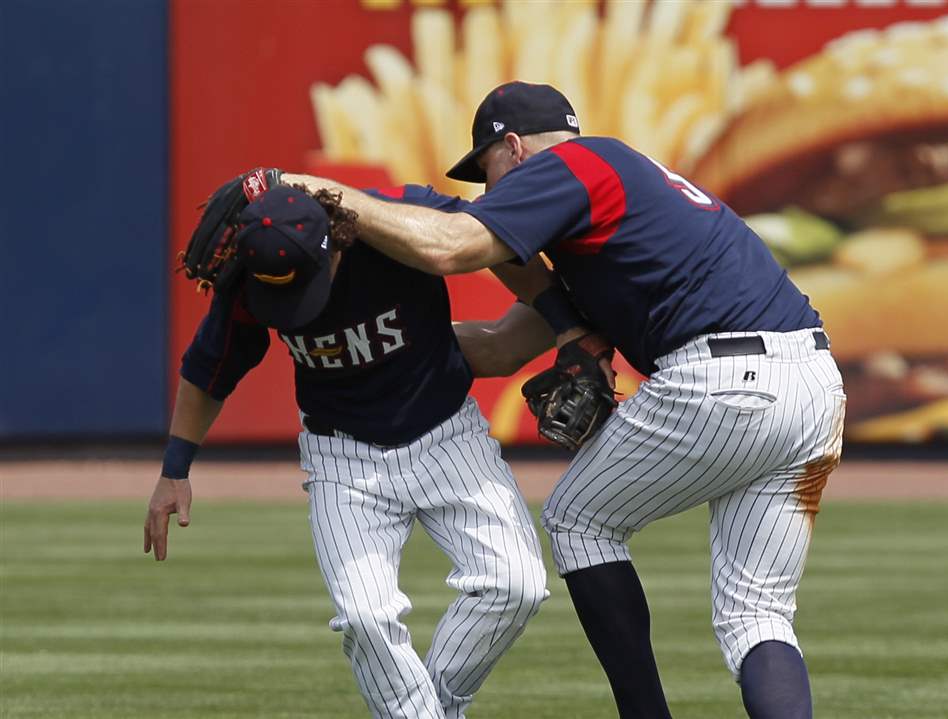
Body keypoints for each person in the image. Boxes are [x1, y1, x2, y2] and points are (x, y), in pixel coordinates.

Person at [285, 81, 847, 719]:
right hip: (814, 387)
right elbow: (497, 348)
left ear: (516, 147)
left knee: (579, 520)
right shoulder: (613, 225)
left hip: (724, 381)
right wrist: (353, 344)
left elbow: (447, 246)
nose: (489, 192)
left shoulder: (574, 165)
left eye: (488, 169)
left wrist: (321, 191)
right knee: (757, 615)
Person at [142, 182, 551, 719]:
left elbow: (498, 242)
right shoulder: (247, 280)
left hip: (449, 434)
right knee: (365, 617)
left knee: (516, 585)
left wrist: (573, 327)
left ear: (336, 243)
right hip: (343, 460)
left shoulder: (404, 222)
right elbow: (210, 371)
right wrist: (175, 470)